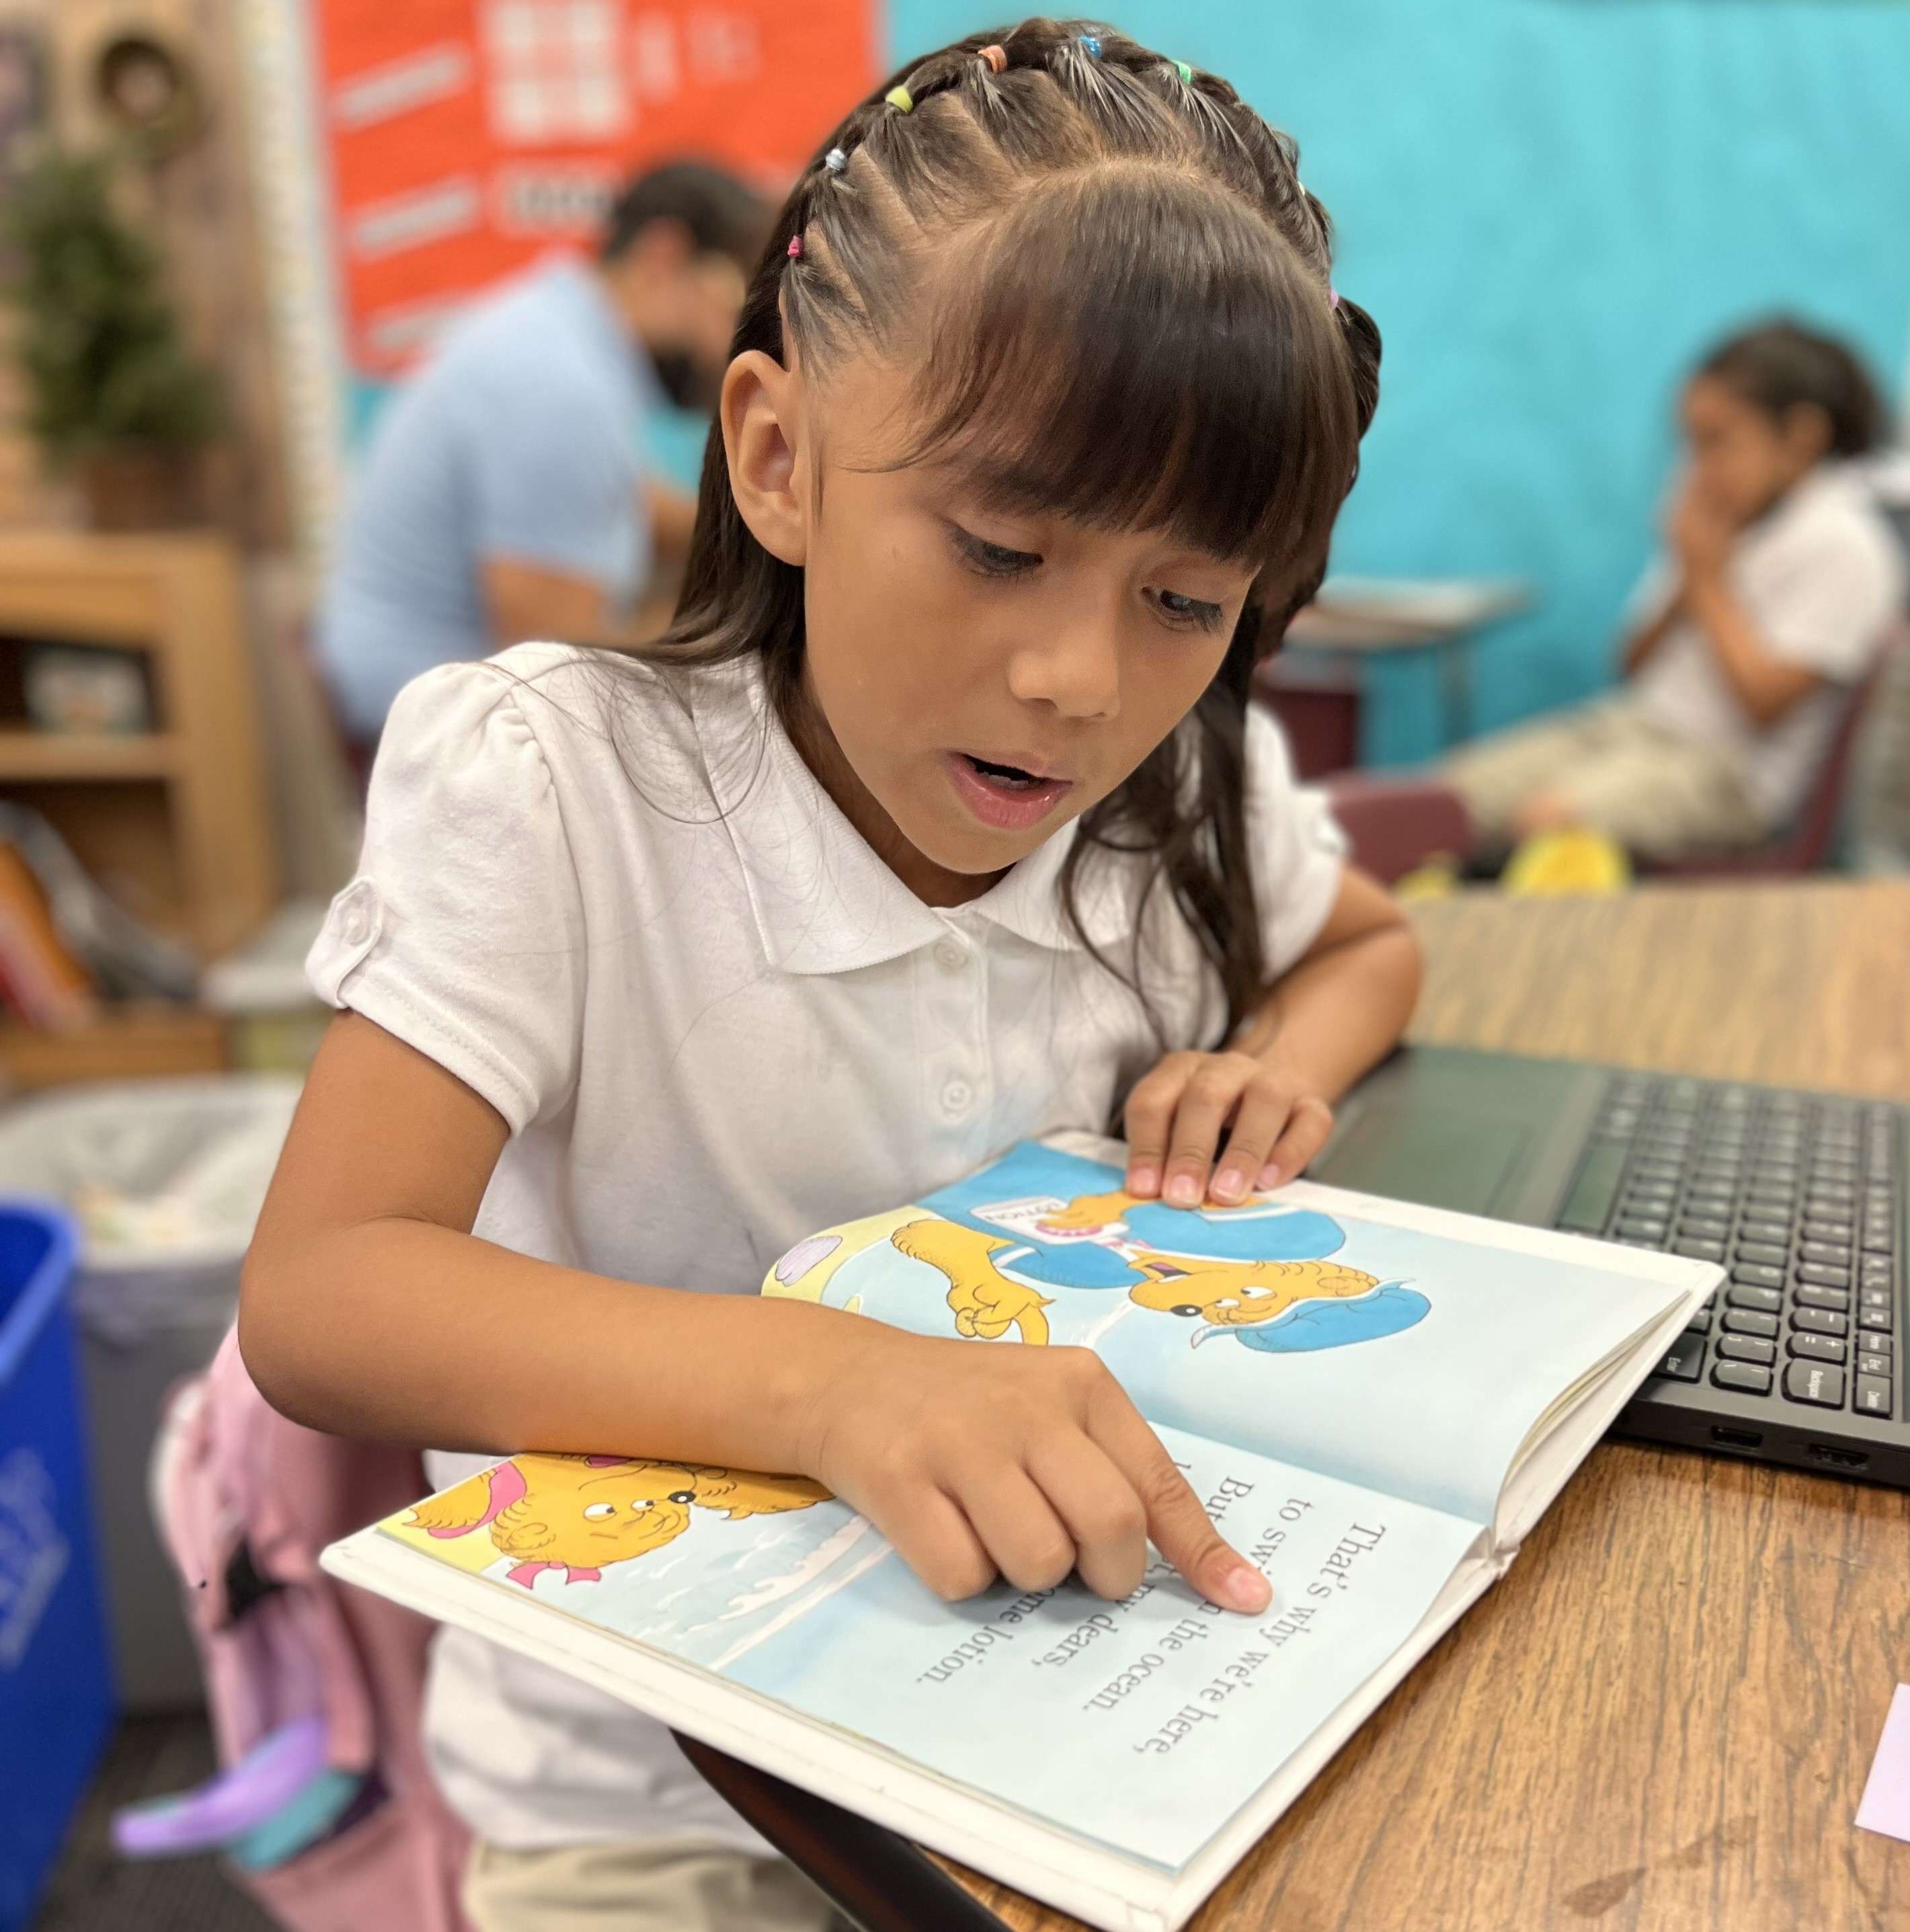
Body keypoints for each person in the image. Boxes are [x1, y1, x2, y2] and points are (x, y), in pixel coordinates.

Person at [243, 22, 1418, 1932]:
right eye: (998, 546)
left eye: (1184, 599)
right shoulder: (556, 785)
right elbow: (320, 1289)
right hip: (651, 1806)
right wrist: (841, 1387)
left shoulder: (1166, 795)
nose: (1078, 678)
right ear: (779, 461)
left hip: (1072, 1747)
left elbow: (1371, 942)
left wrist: (1283, 1053)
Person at [315, 161, 770, 744]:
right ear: (664, 256)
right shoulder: (559, 385)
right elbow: (559, 669)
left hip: (417, 702)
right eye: (732, 302)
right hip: (425, 738)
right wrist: (753, 624)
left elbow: (621, 499)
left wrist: (757, 524)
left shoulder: (555, 331)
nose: (729, 346)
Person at [1445, 319, 1907, 864]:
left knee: (1543, 823)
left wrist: (1707, 580)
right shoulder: (1717, 520)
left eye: (1717, 442)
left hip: (1730, 775)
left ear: (1801, 437)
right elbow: (1631, 664)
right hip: (1634, 728)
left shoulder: (1843, 542)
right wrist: (1686, 574)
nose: (1698, 466)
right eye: (1689, 442)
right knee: (1441, 800)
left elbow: (1765, 704)